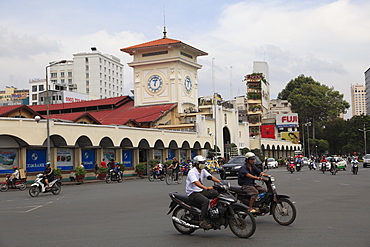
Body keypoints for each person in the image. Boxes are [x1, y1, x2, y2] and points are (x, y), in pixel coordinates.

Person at [186, 155, 220, 229]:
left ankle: (213, 212)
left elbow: (210, 177)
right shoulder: (192, 172)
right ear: (197, 164)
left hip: (201, 190)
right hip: (193, 193)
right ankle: (202, 220)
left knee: (217, 193)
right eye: (201, 163)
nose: (203, 164)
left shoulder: (203, 170)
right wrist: (206, 188)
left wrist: (220, 182)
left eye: (204, 163)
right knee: (205, 201)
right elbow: (196, 183)